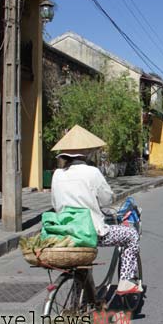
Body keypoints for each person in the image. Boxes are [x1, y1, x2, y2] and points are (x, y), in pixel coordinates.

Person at [51, 125, 142, 295]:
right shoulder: (92, 172)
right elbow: (106, 199)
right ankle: (125, 280)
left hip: (66, 233)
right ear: (87, 153)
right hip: (90, 232)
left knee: (81, 264)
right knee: (131, 236)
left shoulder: (57, 174)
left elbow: (56, 204)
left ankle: (84, 298)